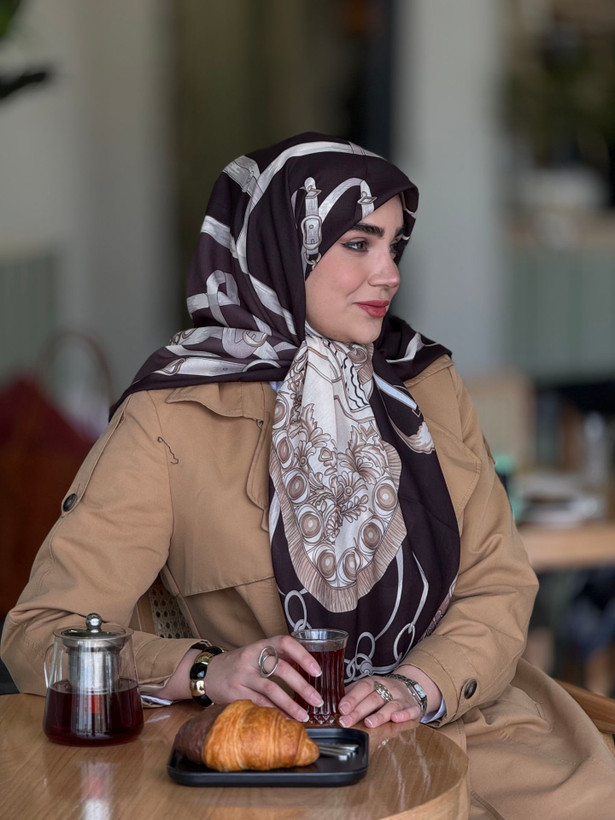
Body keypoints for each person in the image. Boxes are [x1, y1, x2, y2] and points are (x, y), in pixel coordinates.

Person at [2, 132, 614, 816]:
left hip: (480, 733)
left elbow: (498, 582)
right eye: (357, 243)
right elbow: (42, 634)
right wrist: (204, 672)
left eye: (393, 246)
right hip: (282, 768)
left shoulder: (427, 383)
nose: (389, 274)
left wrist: (419, 685)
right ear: (279, 247)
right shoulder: (172, 416)